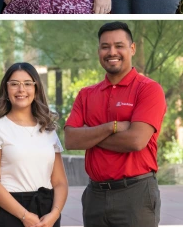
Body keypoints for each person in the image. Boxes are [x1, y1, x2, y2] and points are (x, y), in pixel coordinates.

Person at [64, 22, 167, 227]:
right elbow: (71, 139)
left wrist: (89, 136)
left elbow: (136, 141)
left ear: (132, 48)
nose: (112, 52)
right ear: (99, 51)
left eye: (119, 45)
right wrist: (110, 127)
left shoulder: (148, 90)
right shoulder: (86, 94)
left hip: (135, 194)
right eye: (105, 47)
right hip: (95, 195)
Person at [0, 63, 68, 227]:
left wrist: (54, 214)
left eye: (28, 84)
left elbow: (60, 182)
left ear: (36, 89)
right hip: (11, 213)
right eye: (14, 84)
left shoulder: (48, 130)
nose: (21, 89)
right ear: (6, 89)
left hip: (47, 214)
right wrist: (24, 216)